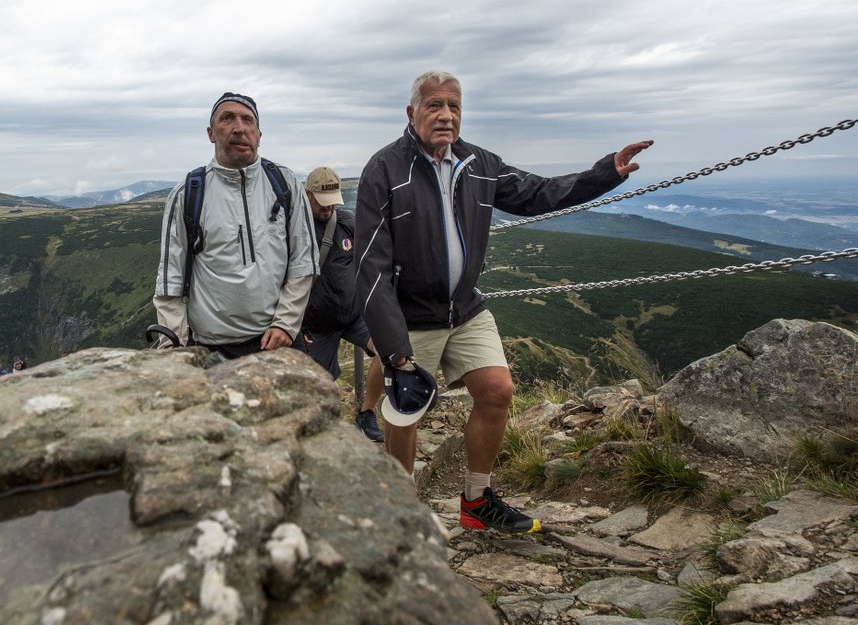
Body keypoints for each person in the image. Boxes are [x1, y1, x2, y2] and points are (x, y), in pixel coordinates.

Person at [355, 70, 653, 534]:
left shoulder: (478, 162)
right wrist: (393, 348)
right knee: (406, 410)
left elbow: (537, 194)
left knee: (498, 391)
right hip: (410, 313)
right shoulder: (385, 169)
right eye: (434, 105)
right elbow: (370, 263)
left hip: (465, 307)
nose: (446, 115)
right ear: (411, 113)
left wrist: (604, 175)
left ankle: (476, 501)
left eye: (454, 105)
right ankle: (402, 506)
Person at [153, 92, 318, 357]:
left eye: (248, 120)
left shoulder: (285, 185)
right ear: (211, 133)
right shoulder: (188, 194)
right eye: (227, 118)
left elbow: (304, 260)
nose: (239, 128)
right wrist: (174, 348)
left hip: (277, 341)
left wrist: (286, 325)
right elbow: (170, 278)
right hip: (212, 348)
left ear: (259, 134)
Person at [293, 166, 386, 442]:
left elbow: (373, 254)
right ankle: (314, 438)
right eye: (323, 202)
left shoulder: (348, 222)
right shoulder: (295, 229)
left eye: (333, 201)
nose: (329, 208)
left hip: (353, 315)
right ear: (307, 195)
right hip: (316, 326)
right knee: (320, 387)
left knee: (388, 351)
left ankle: (366, 413)